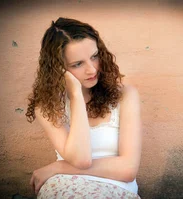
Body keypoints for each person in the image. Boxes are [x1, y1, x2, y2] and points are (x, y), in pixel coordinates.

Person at [25, 17, 142, 199]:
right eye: (77, 64)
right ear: (58, 69)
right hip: (66, 186)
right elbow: (81, 159)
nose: (92, 70)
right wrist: (76, 96)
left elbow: (128, 169)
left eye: (94, 57)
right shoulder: (48, 105)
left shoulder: (126, 95)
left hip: (116, 188)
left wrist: (58, 167)